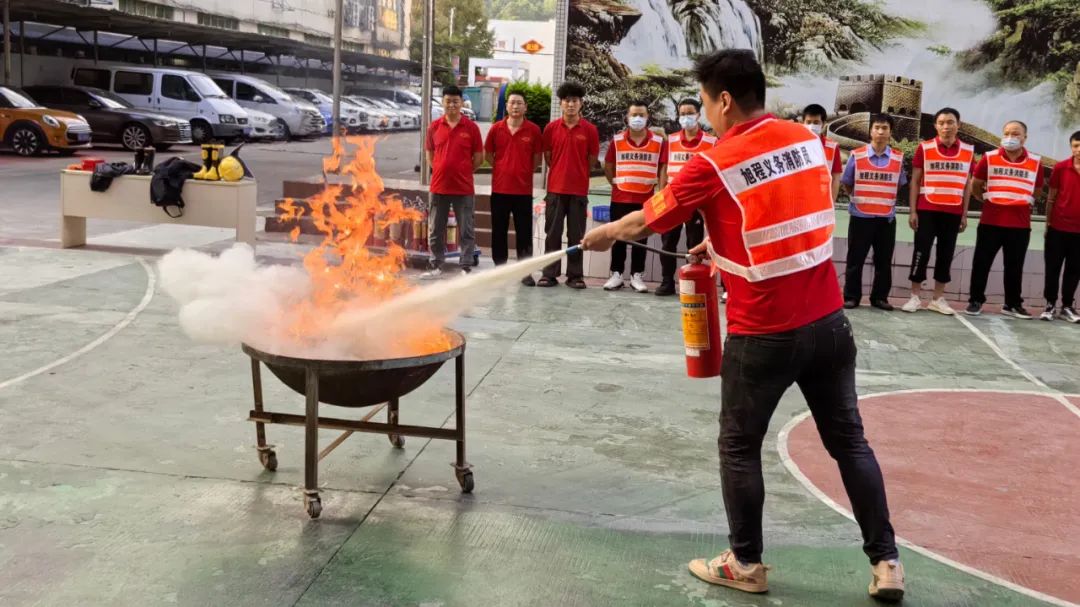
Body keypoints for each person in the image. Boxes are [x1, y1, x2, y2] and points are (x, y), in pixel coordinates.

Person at [580, 49, 903, 602]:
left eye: (705, 104)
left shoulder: (713, 162)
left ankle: (746, 563)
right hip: (830, 324)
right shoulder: (806, 140)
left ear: (724, 100)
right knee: (850, 444)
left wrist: (604, 234)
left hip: (764, 334)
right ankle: (887, 563)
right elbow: (782, 210)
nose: (704, 115)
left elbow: (646, 220)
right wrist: (721, 237)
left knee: (738, 446)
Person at [964, 121, 1044, 318]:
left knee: (1015, 267)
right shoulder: (989, 158)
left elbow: (1037, 191)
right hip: (991, 221)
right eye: (1007, 133)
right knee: (982, 263)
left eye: (1015, 134)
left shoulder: (1035, 162)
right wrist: (984, 199)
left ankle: (1012, 304)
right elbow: (976, 185)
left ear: (1025, 137)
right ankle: (975, 301)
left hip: (1019, 224)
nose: (1010, 137)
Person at [903, 108, 974, 314]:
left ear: (958, 125)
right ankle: (914, 297)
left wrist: (964, 214)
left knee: (946, 254)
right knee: (921, 252)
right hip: (927, 210)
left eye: (950, 122)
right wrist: (913, 211)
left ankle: (937, 299)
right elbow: (915, 182)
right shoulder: (924, 148)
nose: (946, 126)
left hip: (953, 212)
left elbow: (967, 185)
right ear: (935, 126)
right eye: (941, 122)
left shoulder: (968, 151)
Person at [841, 114, 907, 310]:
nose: (880, 131)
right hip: (860, 217)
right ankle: (851, 297)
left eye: (884, 128)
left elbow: (899, 184)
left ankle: (880, 298)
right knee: (855, 260)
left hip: (886, 219)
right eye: (877, 127)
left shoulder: (898, 158)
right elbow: (847, 182)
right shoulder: (857, 155)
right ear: (870, 131)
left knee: (884, 261)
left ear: (890, 132)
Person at [538, 81, 600, 289]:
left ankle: (575, 276)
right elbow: (548, 157)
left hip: (578, 191)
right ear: (561, 104)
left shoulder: (590, 130)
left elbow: (591, 160)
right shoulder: (551, 128)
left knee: (576, 236)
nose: (571, 105)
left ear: (581, 103)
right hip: (555, 190)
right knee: (552, 234)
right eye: (567, 101)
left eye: (575, 101)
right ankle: (549, 274)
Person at [603, 99, 668, 293]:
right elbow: (608, 166)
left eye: (641, 115)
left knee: (641, 239)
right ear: (627, 117)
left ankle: (636, 275)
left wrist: (660, 192)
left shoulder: (658, 142)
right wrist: (616, 184)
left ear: (648, 118)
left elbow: (663, 168)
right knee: (618, 237)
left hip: (645, 198)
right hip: (620, 197)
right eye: (634, 115)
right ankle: (616, 274)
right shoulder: (617, 140)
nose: (637, 118)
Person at [656, 98, 716, 296]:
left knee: (694, 245)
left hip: (697, 202)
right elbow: (664, 169)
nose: (686, 117)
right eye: (682, 114)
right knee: (668, 243)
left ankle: (691, 284)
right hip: (672, 200)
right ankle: (667, 282)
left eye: (690, 113)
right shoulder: (671, 140)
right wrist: (662, 193)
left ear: (698, 115)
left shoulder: (710, 142)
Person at [421, 85, 483, 279]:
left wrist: (463, 171)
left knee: (466, 230)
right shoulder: (434, 126)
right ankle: (436, 265)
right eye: (448, 101)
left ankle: (465, 266)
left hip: (463, 188)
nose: (452, 105)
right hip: (439, 187)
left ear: (462, 103)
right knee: (435, 229)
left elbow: (479, 158)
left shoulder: (471, 128)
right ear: (442, 102)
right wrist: (442, 169)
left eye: (456, 101)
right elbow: (430, 155)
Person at [484, 91, 543, 285]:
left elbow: (537, 158)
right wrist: (502, 168)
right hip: (500, 190)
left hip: (523, 191)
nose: (515, 106)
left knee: (524, 233)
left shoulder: (533, 130)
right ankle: (499, 269)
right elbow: (488, 154)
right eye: (512, 103)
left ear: (525, 107)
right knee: (498, 231)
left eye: (519, 103)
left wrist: (523, 171)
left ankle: (525, 272)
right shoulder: (496, 129)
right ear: (507, 106)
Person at [1041, 130, 1080, 322]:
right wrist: (1048, 224)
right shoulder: (1061, 168)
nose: (1079, 150)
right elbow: (1051, 198)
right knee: (1053, 268)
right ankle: (1049, 305)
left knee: (1074, 270)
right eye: (1076, 146)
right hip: (1058, 229)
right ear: (1071, 147)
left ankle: (1067, 307)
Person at [801, 103, 843, 202]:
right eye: (808, 122)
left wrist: (831, 203)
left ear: (823, 124)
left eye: (816, 122)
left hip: (822, 201)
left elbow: (835, 178)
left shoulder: (833, 147)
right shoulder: (795, 145)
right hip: (799, 200)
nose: (812, 126)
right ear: (803, 123)